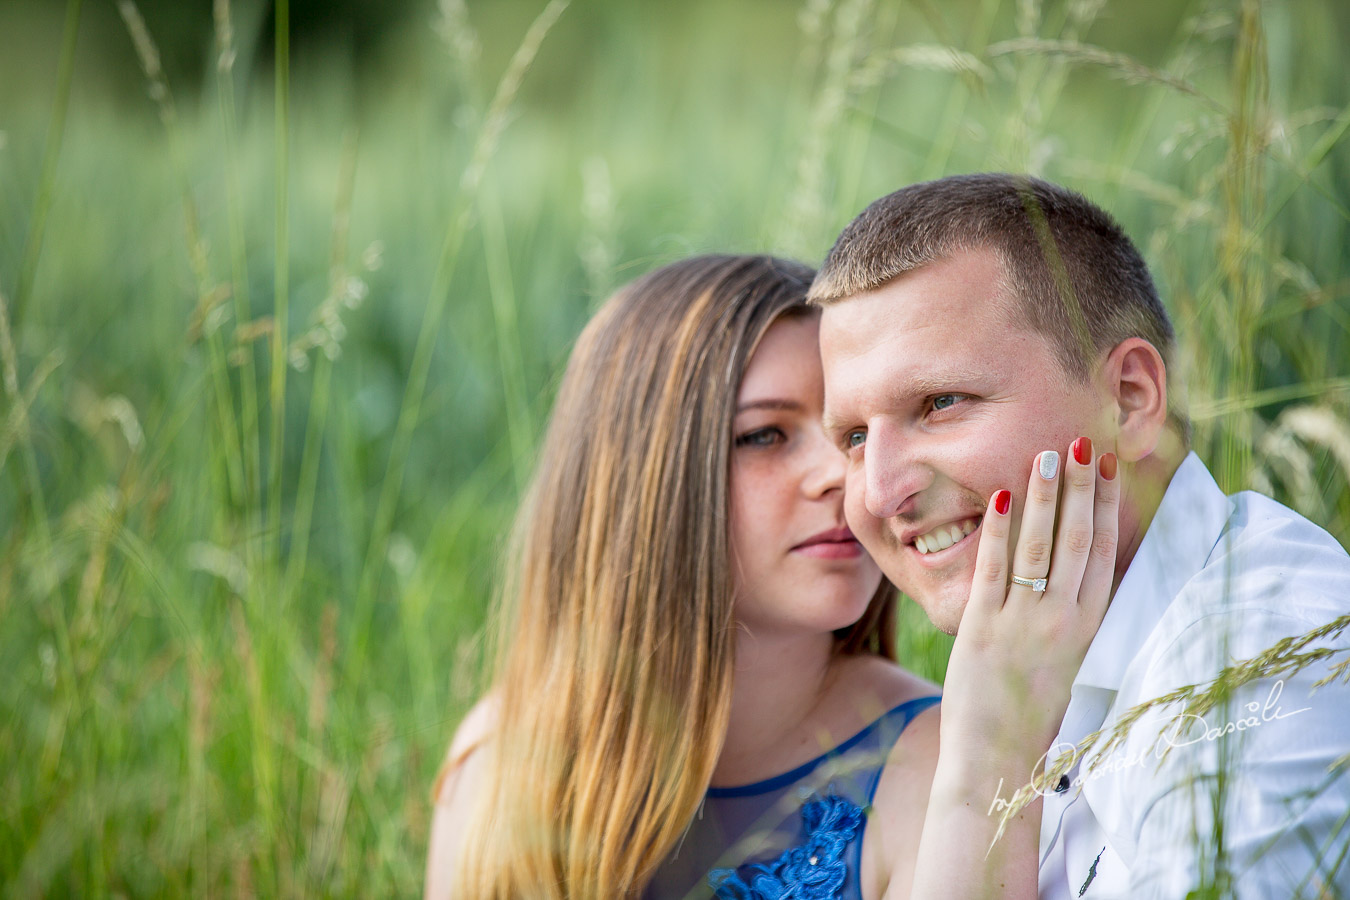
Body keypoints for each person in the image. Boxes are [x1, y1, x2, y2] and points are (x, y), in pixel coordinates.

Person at [425, 253, 1119, 899]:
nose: (848, 481)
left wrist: (987, 763)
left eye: (848, 436)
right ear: (639, 484)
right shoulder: (505, 759)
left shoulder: (943, 761)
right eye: (764, 435)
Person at [810, 173, 1350, 899]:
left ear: (1128, 401)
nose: (879, 492)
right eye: (851, 436)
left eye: (941, 403)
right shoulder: (1028, 662)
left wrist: (985, 772)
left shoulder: (1268, 669)